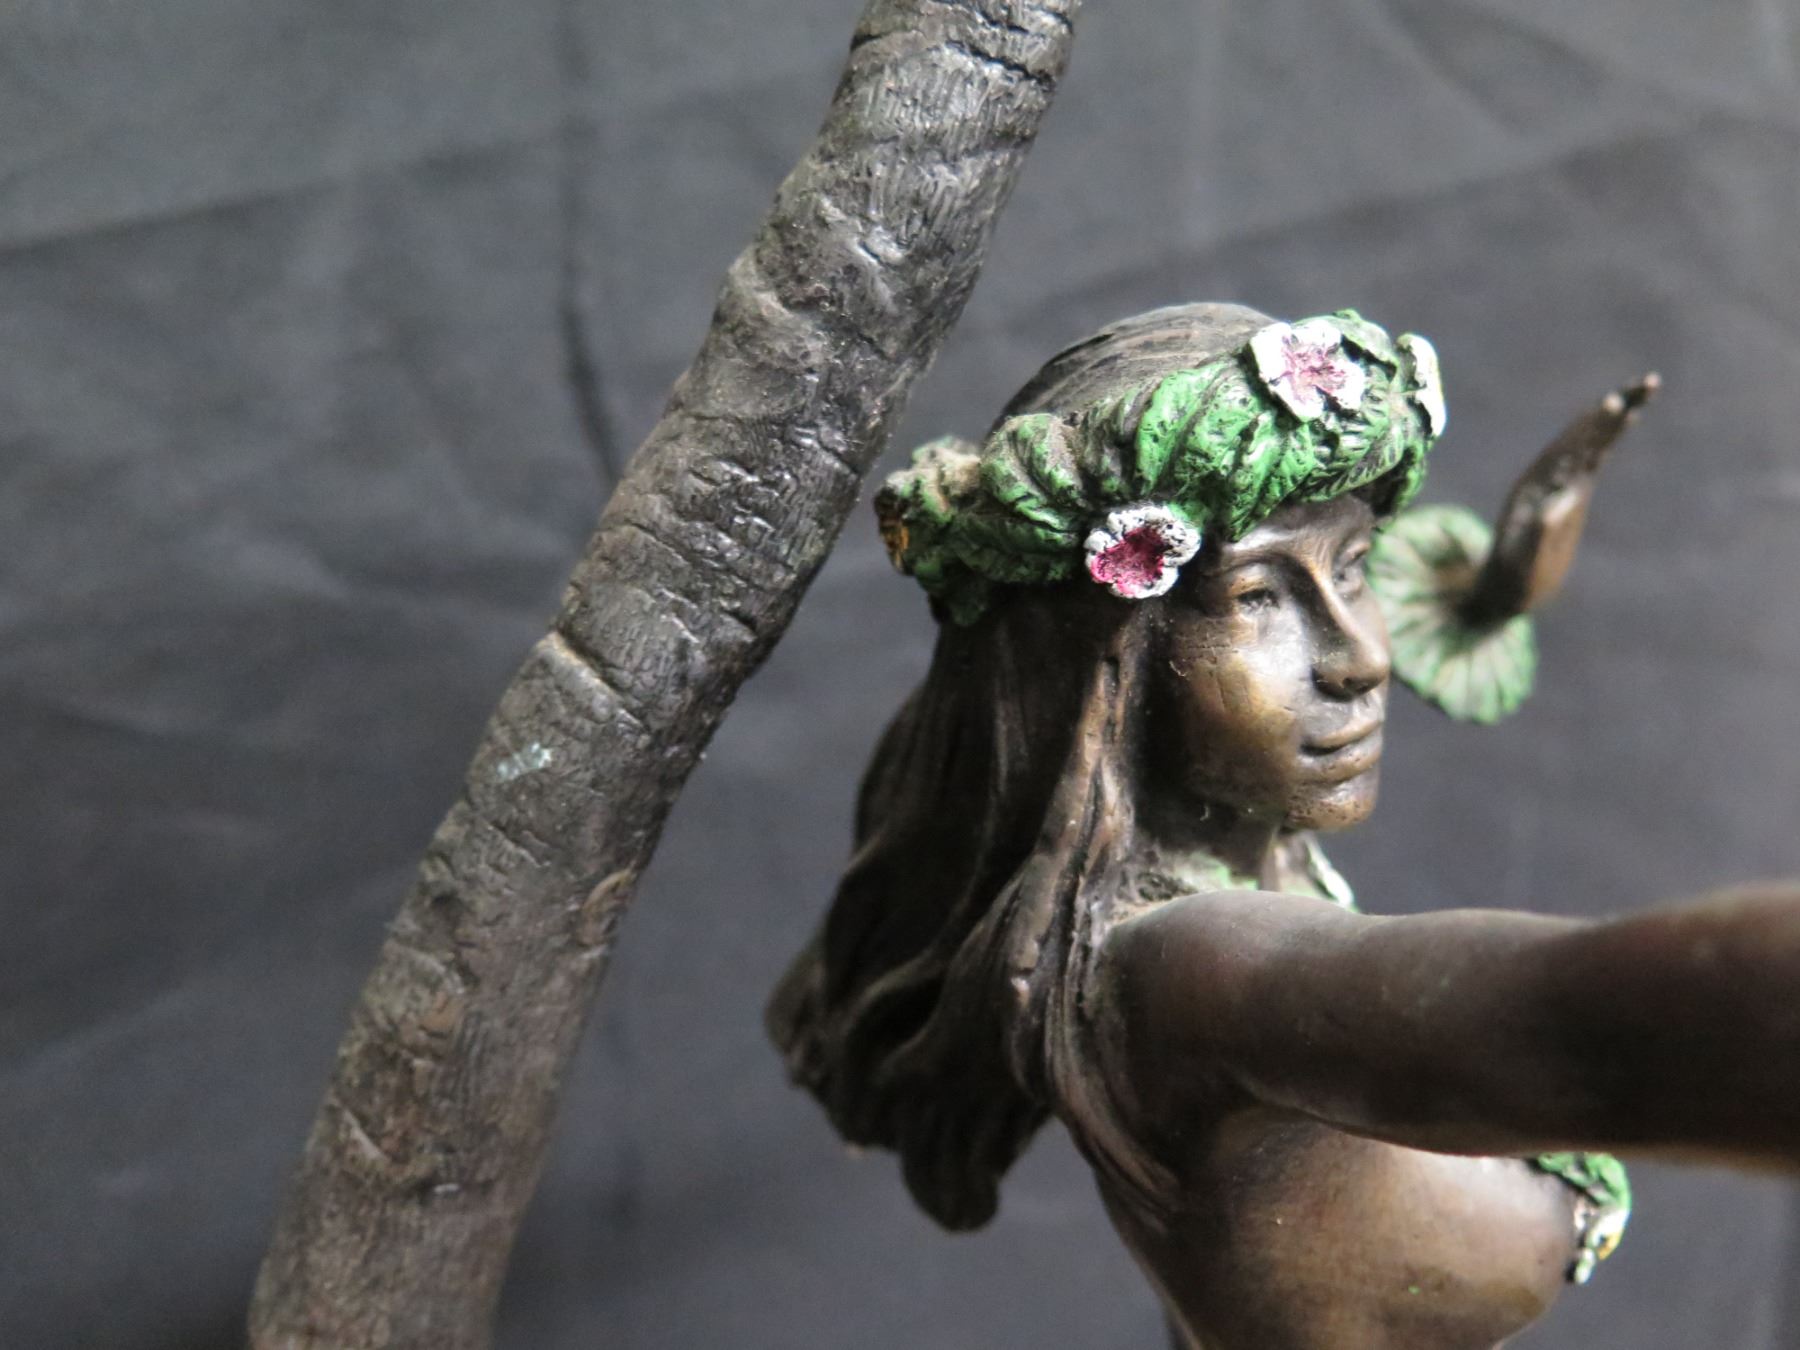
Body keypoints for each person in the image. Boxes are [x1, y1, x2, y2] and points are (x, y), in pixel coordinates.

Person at [767, 302, 1800, 1350]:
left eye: (1351, 569)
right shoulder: (1185, 977)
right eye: (1258, 597)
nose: (1362, 656)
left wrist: (1498, 584)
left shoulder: (1240, 883)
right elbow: (1565, 1027)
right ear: (1109, 665)